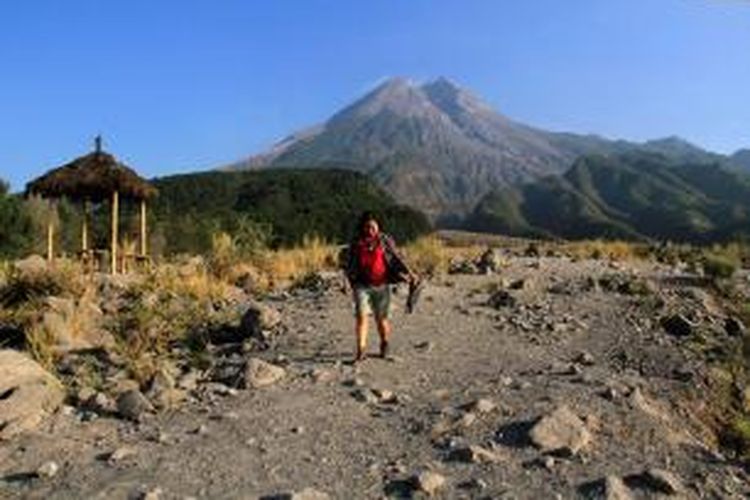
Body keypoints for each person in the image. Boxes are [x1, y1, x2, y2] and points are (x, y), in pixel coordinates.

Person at [344, 211, 418, 363]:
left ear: (378, 227)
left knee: (381, 320)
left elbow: (397, 258)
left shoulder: (385, 241)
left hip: (382, 285)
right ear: (363, 227)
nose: (370, 230)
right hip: (361, 285)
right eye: (367, 227)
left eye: (373, 227)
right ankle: (361, 351)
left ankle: (384, 343)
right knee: (361, 318)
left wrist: (409, 273)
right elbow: (348, 264)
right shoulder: (357, 242)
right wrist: (346, 281)